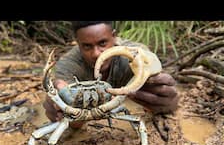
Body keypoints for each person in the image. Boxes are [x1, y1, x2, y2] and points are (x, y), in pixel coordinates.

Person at [43, 21, 179, 129]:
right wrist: (62, 109)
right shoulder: (67, 65)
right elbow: (73, 122)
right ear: (77, 43)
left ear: (114, 36)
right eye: (87, 46)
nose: (96, 53)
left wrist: (166, 102)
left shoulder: (136, 56)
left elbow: (159, 86)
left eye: (102, 43)